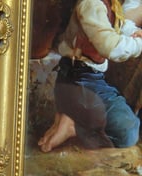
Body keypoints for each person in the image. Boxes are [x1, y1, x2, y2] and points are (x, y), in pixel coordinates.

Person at [37, 0, 142, 152]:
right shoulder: (91, 4)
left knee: (129, 125)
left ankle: (71, 117)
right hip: (78, 80)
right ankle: (74, 126)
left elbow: (120, 26)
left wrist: (135, 32)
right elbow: (110, 47)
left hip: (91, 79)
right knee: (128, 133)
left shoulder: (110, 4)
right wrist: (140, 44)